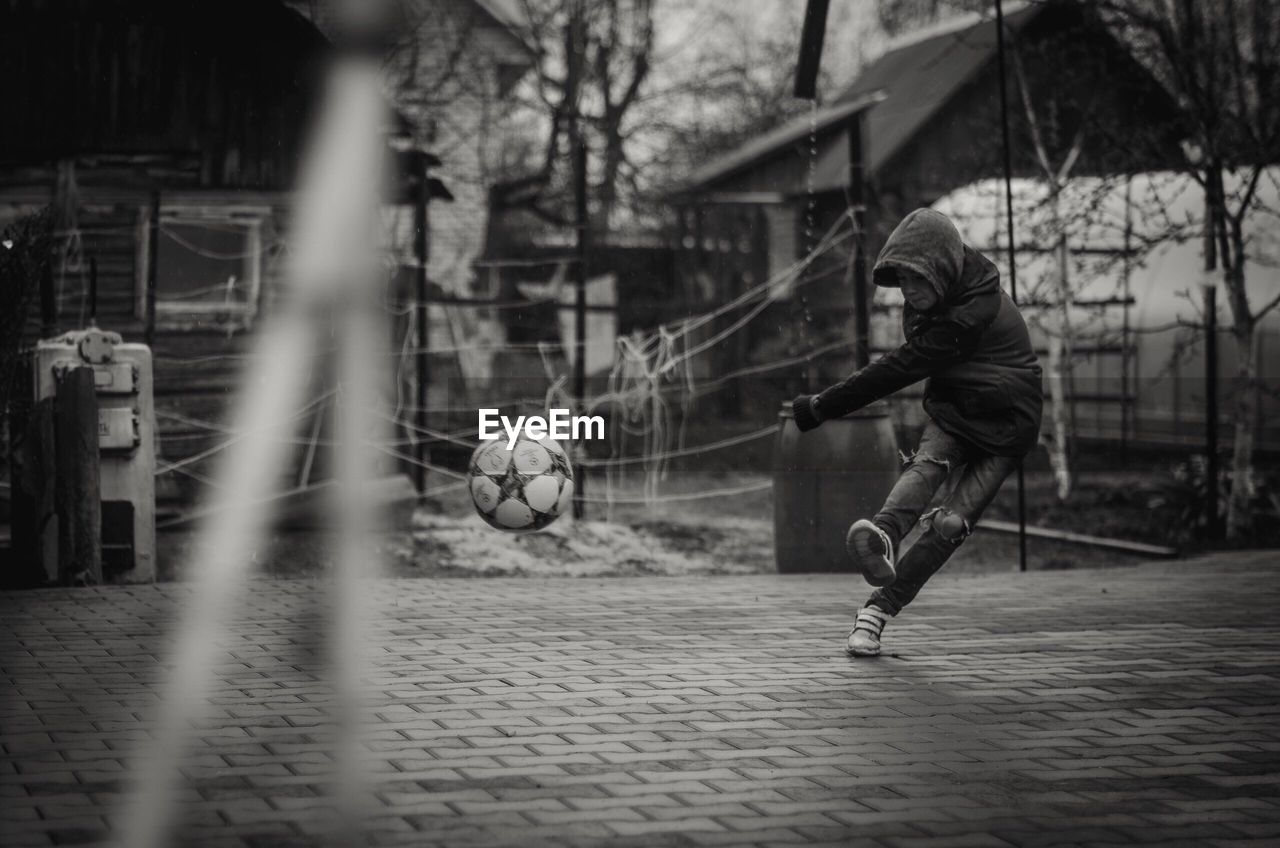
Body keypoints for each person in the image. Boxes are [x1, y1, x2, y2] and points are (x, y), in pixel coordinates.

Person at [789, 208, 1042, 657]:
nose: (907, 291)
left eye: (916, 280)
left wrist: (821, 406)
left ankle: (877, 611)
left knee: (950, 524)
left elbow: (897, 370)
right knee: (927, 466)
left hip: (1007, 424)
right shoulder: (940, 299)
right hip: (957, 409)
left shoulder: (968, 315)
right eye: (901, 280)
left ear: (942, 271)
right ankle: (882, 538)